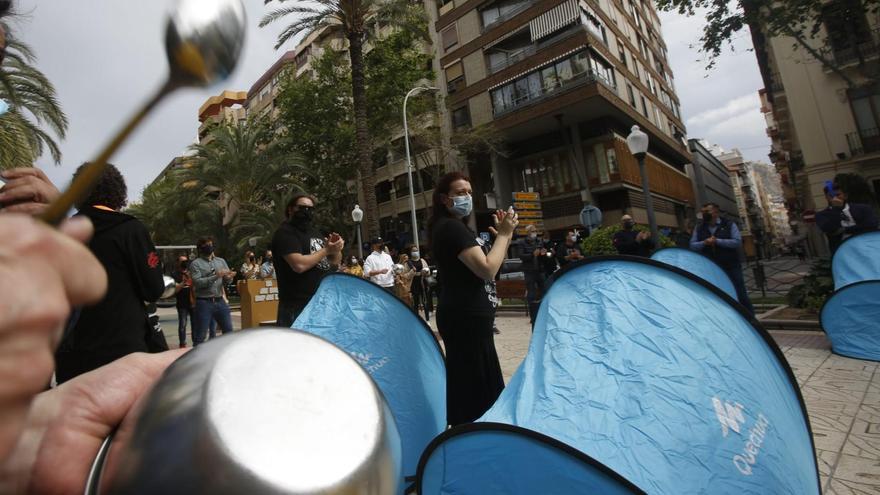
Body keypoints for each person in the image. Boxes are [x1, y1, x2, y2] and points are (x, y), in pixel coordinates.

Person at [54, 164, 165, 383]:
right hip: (125, 351)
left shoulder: (63, 232)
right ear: (118, 191)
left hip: (74, 354)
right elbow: (153, 289)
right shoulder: (131, 229)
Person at [429, 171, 518, 426]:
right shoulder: (451, 228)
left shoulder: (457, 228)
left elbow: (491, 270)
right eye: (460, 193)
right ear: (445, 199)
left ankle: (476, 431)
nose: (467, 196)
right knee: (474, 385)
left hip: (470, 317)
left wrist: (505, 236)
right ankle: (474, 433)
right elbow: (487, 269)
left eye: (469, 192)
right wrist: (503, 236)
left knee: (475, 381)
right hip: (465, 317)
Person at [271, 193, 344, 327]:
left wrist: (336, 248)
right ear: (290, 209)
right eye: (302, 208)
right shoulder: (285, 233)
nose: (307, 212)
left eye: (310, 209)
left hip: (321, 302)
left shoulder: (314, 232)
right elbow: (299, 265)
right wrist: (326, 250)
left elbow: (334, 261)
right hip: (297, 305)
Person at [690, 202, 754, 314]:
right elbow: (693, 245)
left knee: (739, 291)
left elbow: (737, 242)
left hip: (730, 264)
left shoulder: (729, 224)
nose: (704, 214)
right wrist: (705, 242)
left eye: (707, 211)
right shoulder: (699, 227)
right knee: (716, 293)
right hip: (710, 266)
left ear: (715, 212)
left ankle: (749, 316)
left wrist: (717, 241)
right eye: (703, 211)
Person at [189, 237, 235, 345]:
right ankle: (197, 359)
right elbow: (198, 283)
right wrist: (216, 276)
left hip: (219, 300)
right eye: (207, 245)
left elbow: (226, 281)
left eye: (211, 244)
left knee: (229, 331)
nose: (210, 247)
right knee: (200, 335)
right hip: (204, 302)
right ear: (200, 249)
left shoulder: (221, 261)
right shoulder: (196, 264)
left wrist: (229, 277)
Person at [816, 177, 878, 254]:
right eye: (831, 196)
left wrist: (844, 230)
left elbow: (872, 224)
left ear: (845, 196)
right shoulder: (821, 215)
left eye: (838, 194)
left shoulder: (863, 208)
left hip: (870, 246)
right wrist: (837, 209)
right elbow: (831, 229)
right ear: (826, 198)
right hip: (844, 253)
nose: (835, 198)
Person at [171, 255, 193, 348]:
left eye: (185, 261)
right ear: (178, 263)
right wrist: (183, 282)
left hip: (192, 301)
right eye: (182, 261)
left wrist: (189, 276)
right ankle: (182, 343)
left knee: (195, 324)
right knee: (182, 324)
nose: (184, 263)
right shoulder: (174, 274)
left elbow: (196, 286)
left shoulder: (191, 273)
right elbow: (175, 290)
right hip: (182, 303)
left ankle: (196, 342)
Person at [406, 246, 433, 321]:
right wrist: (412, 272)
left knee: (425, 301)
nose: (415, 252)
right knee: (416, 302)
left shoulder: (422, 260)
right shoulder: (409, 263)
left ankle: (427, 320)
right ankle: (417, 320)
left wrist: (425, 272)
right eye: (413, 251)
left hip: (422, 282)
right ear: (411, 252)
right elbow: (406, 275)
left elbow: (428, 271)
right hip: (414, 283)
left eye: (416, 250)